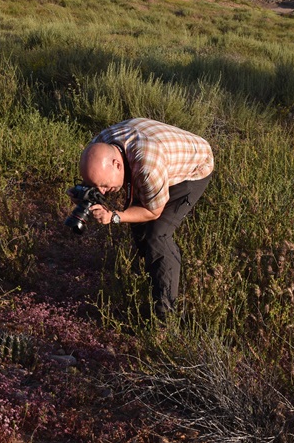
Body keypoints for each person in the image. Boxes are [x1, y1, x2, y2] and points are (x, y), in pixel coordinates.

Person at [77, 118, 214, 319]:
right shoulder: (98, 147)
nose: (103, 192)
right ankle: (148, 276)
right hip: (159, 156)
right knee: (138, 223)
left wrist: (114, 216)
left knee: (157, 235)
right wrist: (84, 194)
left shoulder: (147, 164)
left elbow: (153, 212)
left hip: (195, 166)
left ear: (117, 164)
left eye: (104, 186)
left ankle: (165, 315)